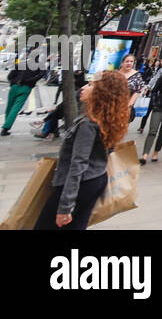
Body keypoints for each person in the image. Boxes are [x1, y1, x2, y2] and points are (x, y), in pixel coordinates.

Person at [35, 70, 131, 230]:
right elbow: (108, 150)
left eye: (91, 85)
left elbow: (78, 164)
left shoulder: (88, 124)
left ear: (101, 93)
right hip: (97, 178)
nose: (84, 88)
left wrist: (65, 207)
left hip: (80, 184)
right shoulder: (108, 119)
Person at [3, 50, 43, 136]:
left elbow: (9, 76)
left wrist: (15, 81)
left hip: (14, 87)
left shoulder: (21, 63)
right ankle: (6, 127)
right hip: (25, 87)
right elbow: (39, 76)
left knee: (9, 107)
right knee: (16, 108)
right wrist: (27, 81)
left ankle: (5, 128)